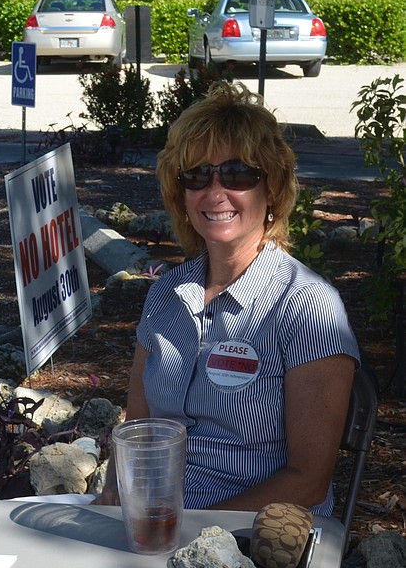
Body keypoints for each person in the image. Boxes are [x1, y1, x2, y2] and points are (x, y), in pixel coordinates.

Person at [96, 81, 359, 516]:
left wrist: (195, 531)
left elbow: (309, 481)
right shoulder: (165, 294)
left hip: (253, 541)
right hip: (155, 526)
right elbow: (139, 432)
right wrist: (113, 494)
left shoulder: (307, 306)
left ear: (271, 189)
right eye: (196, 175)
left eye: (238, 174)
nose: (215, 192)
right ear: (181, 195)